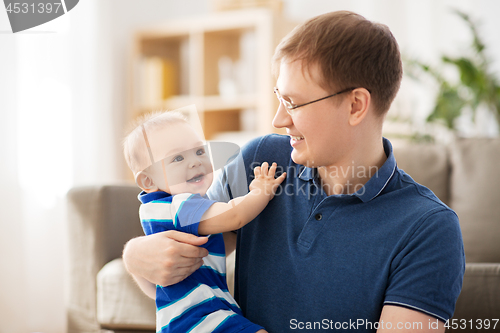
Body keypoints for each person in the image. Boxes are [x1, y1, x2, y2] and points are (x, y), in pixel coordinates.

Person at [123, 11, 465, 332]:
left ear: (356, 105)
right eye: (278, 97)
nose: (278, 120)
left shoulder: (429, 229)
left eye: (294, 103)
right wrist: (136, 258)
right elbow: (185, 279)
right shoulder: (260, 161)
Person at [122, 110, 285, 333]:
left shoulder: (159, 210)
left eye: (199, 151)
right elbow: (234, 216)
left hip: (185, 318)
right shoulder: (180, 205)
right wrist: (261, 190)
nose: (195, 163)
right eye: (178, 158)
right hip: (199, 315)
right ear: (148, 180)